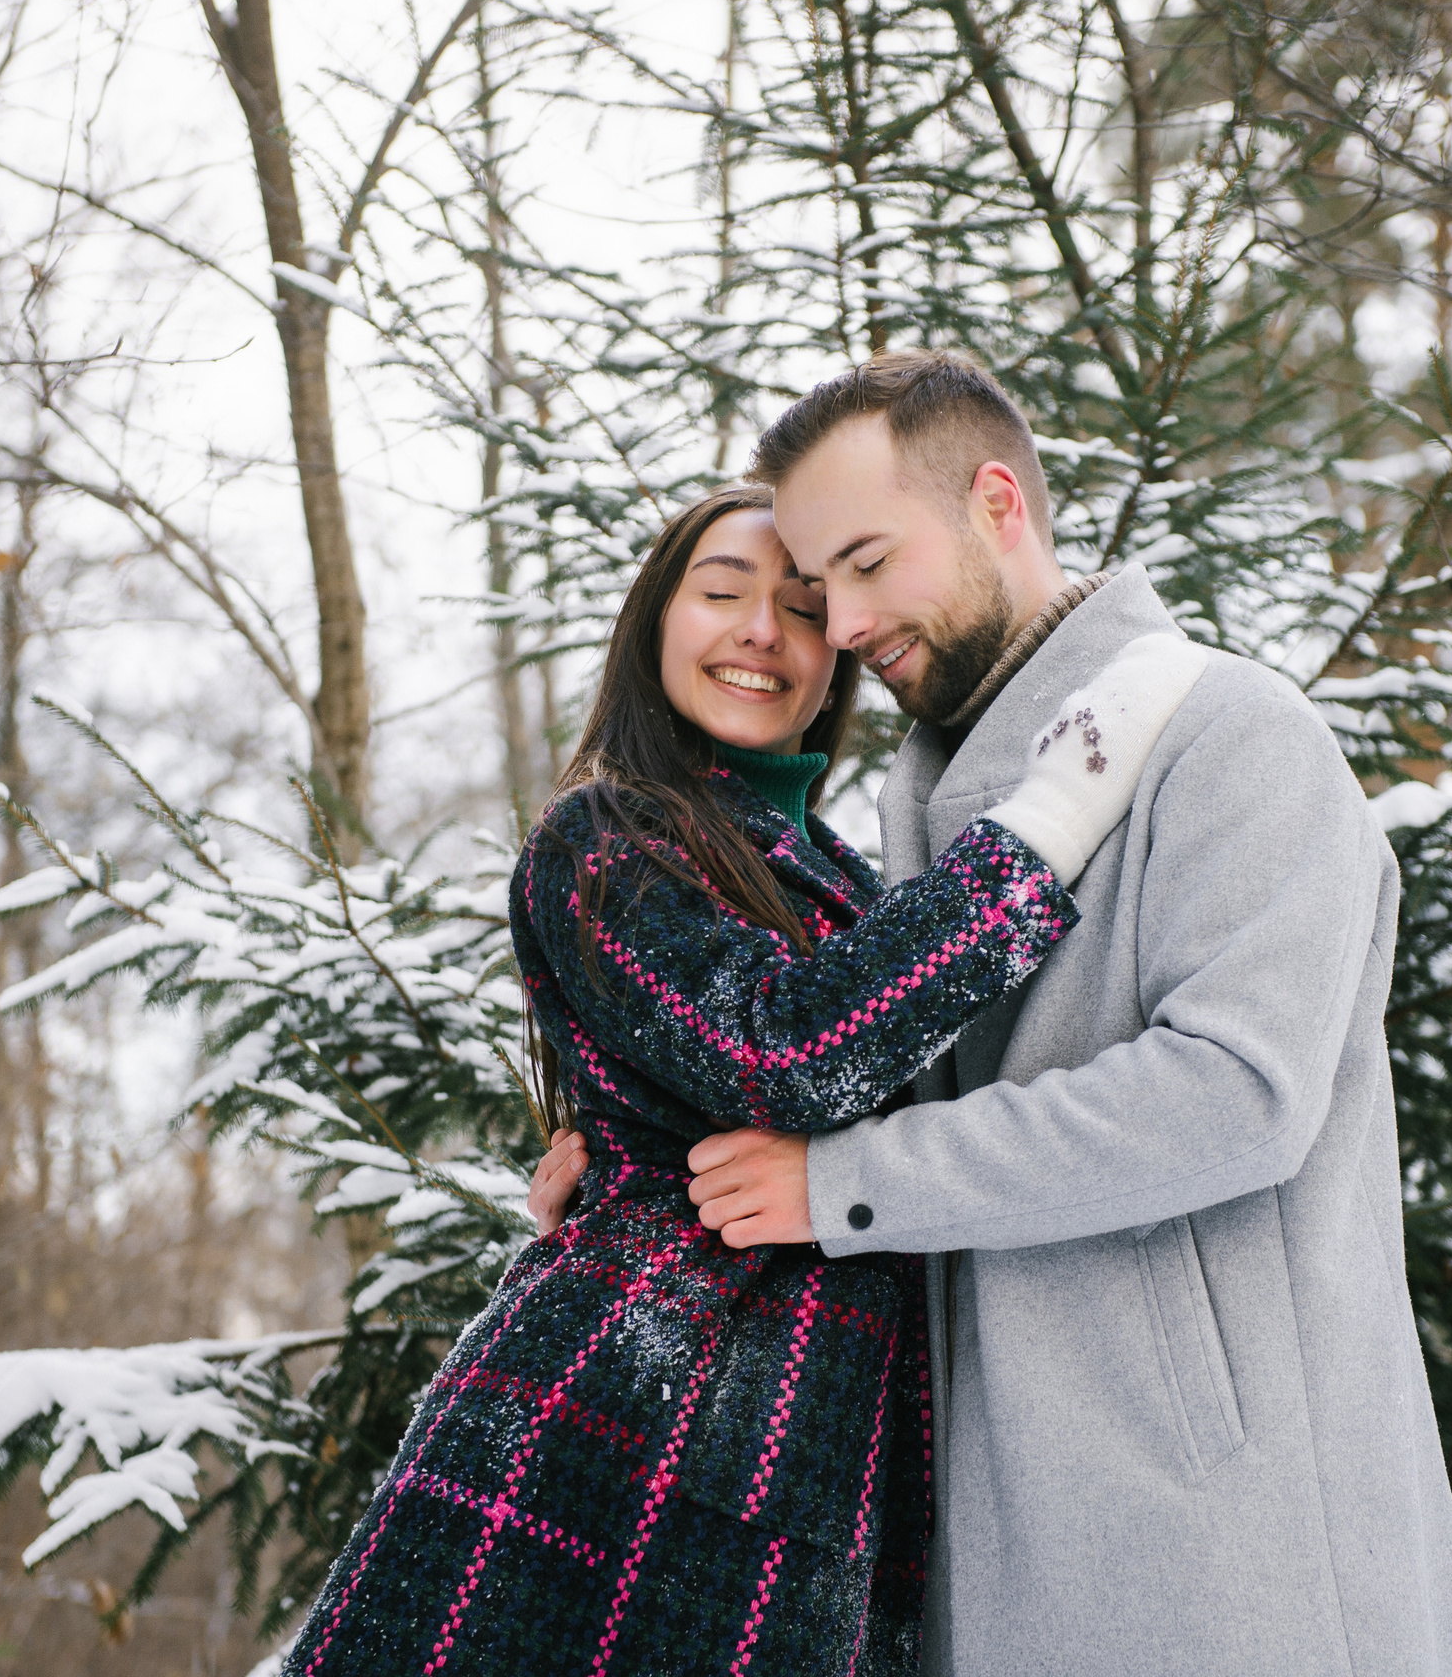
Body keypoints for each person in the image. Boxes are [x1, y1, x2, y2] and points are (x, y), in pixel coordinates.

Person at [541, 351, 1452, 1676]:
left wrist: (847, 1182)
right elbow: (812, 1059)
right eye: (820, 587)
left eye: (866, 564)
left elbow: (1237, 1095)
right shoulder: (928, 821)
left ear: (997, 504)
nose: (841, 623)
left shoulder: (1230, 734)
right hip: (989, 1532)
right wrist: (641, 1150)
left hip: (1225, 1538)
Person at [280, 483, 1205, 1677]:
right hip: (632, 1412)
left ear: (836, 660)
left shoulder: (842, 878)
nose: (762, 630)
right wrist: (1051, 819)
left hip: (808, 1443)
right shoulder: (602, 835)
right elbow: (783, 1052)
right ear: (654, 625)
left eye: (805, 609)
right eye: (721, 593)